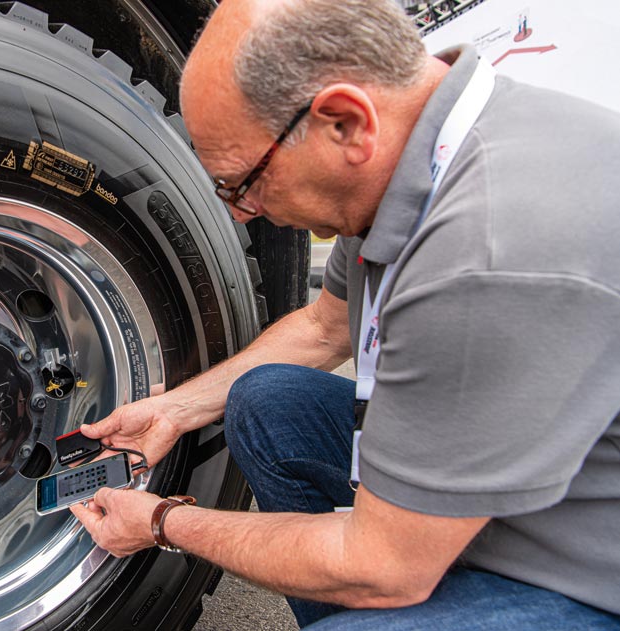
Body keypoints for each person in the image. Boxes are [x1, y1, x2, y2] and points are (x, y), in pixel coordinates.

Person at [70, 0, 620, 628]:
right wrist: (171, 410)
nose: (240, 214)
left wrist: (165, 522)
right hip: (521, 486)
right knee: (270, 401)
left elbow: (380, 564)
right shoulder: (411, 163)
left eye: (242, 183)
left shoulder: (488, 248)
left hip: (586, 566)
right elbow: (322, 327)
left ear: (345, 123)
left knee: (370, 599)